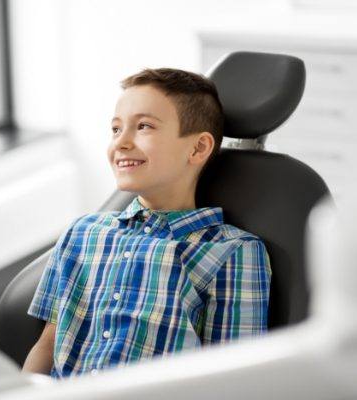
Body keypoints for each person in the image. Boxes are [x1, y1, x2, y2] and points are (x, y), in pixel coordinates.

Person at [23, 68, 272, 379]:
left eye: (143, 127)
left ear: (198, 148)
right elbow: (47, 346)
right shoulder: (83, 233)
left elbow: (232, 380)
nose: (122, 143)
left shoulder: (232, 252)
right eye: (115, 129)